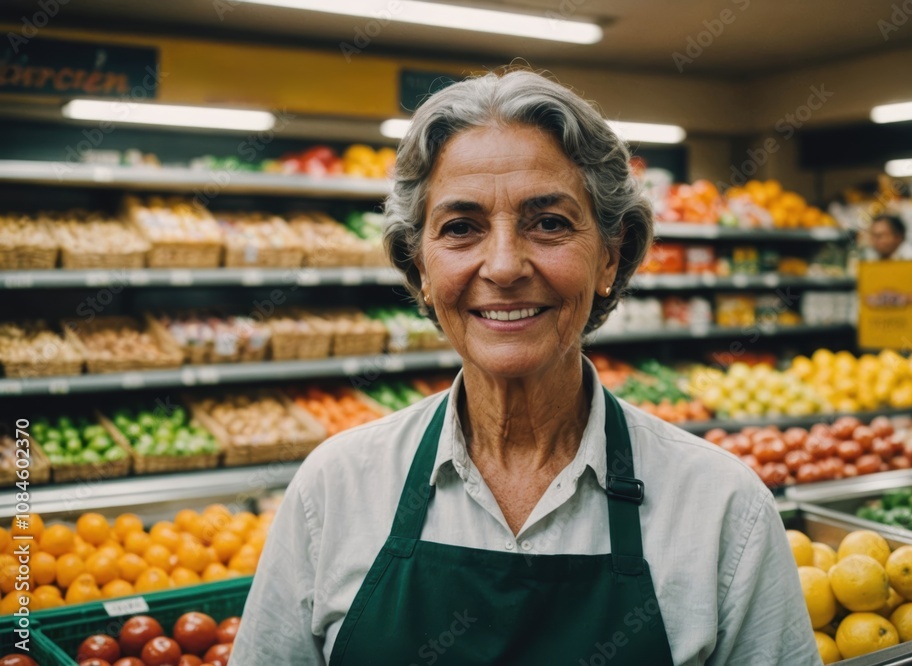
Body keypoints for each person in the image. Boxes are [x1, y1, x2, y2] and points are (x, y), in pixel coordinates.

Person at [232, 70, 818, 666]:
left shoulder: (722, 509)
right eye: (461, 227)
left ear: (609, 258)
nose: (505, 265)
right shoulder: (335, 490)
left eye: (550, 223)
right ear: (422, 271)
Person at [864, 214, 912, 320]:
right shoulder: (871, 260)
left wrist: (908, 298)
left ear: (897, 237)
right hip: (880, 328)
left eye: (880, 236)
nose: (875, 241)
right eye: (873, 236)